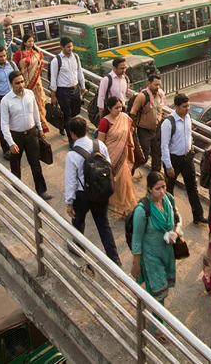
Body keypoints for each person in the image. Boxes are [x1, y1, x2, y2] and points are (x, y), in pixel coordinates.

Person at [130, 171, 181, 342]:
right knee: (159, 289)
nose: (162, 192)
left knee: (161, 290)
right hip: (150, 256)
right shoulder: (142, 210)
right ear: (149, 189)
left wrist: (175, 232)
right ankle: (158, 327)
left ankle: (153, 313)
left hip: (167, 253)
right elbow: (137, 238)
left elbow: (177, 219)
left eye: (164, 187)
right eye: (158, 189)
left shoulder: (169, 200)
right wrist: (136, 264)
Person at [64, 116, 120, 265]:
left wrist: (69, 202)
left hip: (83, 195)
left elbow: (71, 181)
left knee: (78, 221)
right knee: (103, 223)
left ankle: (78, 248)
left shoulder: (72, 154)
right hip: (101, 191)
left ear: (72, 134)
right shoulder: (100, 145)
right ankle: (114, 258)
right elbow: (107, 166)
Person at [0, 71, 50, 200]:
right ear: (11, 84)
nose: (21, 85)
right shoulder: (6, 101)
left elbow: (35, 112)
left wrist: (40, 129)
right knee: (15, 164)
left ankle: (41, 191)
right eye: (17, 83)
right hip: (16, 136)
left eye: (22, 82)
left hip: (32, 134)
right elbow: (4, 125)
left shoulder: (30, 94)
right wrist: (10, 143)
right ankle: (17, 189)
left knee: (35, 163)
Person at [160, 93, 207, 223]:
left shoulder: (188, 118)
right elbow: (164, 146)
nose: (187, 108)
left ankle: (198, 215)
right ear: (177, 107)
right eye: (184, 106)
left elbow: (189, 135)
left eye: (188, 106)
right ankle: (170, 216)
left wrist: (190, 148)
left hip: (187, 158)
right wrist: (168, 166)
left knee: (192, 187)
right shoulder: (168, 123)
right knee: (169, 189)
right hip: (173, 160)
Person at [98, 96, 137, 218]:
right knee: (113, 183)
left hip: (122, 156)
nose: (119, 110)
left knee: (125, 182)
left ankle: (125, 208)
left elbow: (130, 132)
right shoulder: (104, 122)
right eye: (116, 108)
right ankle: (116, 206)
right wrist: (103, 159)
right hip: (110, 157)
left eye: (120, 107)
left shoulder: (125, 118)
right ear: (109, 108)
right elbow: (101, 142)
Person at [49, 37, 86, 135]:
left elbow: (79, 72)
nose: (70, 49)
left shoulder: (76, 57)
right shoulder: (56, 61)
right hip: (63, 91)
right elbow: (53, 78)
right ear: (62, 47)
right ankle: (71, 138)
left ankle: (63, 125)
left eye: (71, 46)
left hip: (75, 89)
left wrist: (83, 86)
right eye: (68, 47)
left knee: (75, 112)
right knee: (68, 115)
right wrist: (53, 95)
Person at [130, 74, 165, 173]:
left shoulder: (159, 95)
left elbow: (159, 110)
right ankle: (130, 169)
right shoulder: (142, 96)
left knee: (157, 158)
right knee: (144, 156)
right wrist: (133, 129)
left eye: (159, 85)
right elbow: (133, 112)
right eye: (155, 85)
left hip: (155, 130)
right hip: (144, 131)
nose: (157, 87)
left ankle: (155, 180)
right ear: (149, 83)